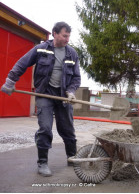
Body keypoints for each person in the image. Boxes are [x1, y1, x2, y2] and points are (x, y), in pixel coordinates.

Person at [1, 22, 81, 177]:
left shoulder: (72, 53)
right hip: (45, 94)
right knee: (45, 128)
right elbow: (21, 64)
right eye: (65, 35)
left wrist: (71, 91)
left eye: (69, 36)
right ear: (55, 34)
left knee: (67, 129)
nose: (67, 39)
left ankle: (72, 157)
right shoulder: (41, 49)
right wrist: (10, 81)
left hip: (63, 96)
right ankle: (42, 163)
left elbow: (76, 77)